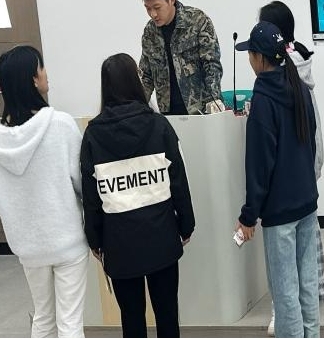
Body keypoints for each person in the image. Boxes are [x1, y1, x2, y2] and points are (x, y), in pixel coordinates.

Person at [81, 54, 195, 338]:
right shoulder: (159, 126)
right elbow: (179, 181)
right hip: (162, 237)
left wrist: (94, 240)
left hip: (120, 245)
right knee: (167, 315)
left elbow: (91, 197)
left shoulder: (93, 135)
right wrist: (186, 225)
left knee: (131, 321)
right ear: (136, 82)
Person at [235, 22, 320, 338]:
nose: (249, 59)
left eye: (250, 54)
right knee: (307, 282)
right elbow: (311, 143)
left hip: (280, 212)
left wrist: (248, 215)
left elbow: (259, 164)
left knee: (285, 292)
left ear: (260, 58)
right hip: (307, 202)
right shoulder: (298, 87)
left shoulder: (263, 101)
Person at [0, 45, 87, 338]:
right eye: (41, 67)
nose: (46, 73)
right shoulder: (61, 125)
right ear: (33, 79)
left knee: (43, 319)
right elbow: (81, 183)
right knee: (70, 323)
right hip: (67, 241)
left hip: (28, 246)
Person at [258, 1, 324, 338]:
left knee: (285, 280)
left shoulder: (270, 90)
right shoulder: (301, 74)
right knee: (307, 267)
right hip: (305, 185)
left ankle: (288, 322)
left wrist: (250, 211)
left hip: (283, 197)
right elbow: (313, 134)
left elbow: (260, 159)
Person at [136, 0, 223, 115]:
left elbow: (211, 64)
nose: (153, 14)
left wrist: (213, 100)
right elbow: (146, 75)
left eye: (157, 8)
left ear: (171, 0)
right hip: (168, 113)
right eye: (148, 8)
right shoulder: (150, 32)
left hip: (202, 109)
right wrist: (136, 107)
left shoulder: (197, 21)